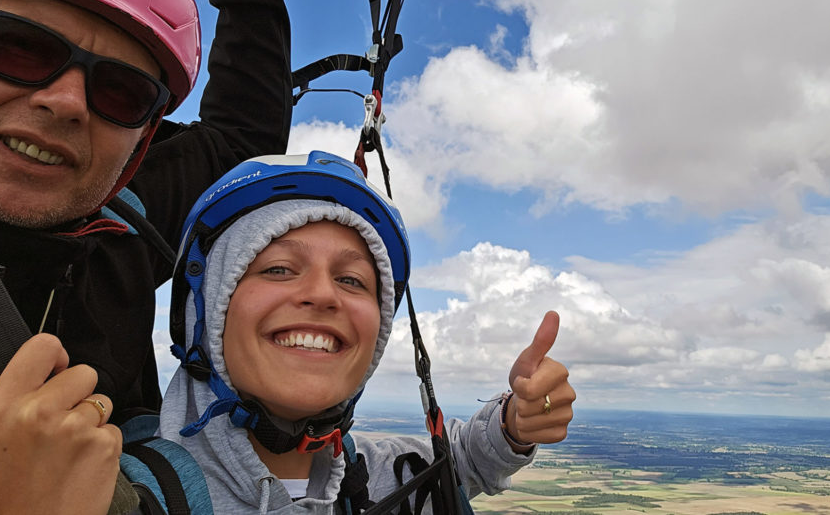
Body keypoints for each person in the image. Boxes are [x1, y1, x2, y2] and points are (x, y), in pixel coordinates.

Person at [0, 0, 294, 512]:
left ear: (141, 142)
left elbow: (244, 142)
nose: (66, 102)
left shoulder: (120, 218)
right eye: (18, 48)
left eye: (119, 90)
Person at [157, 151, 576, 512]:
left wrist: (514, 424)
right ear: (205, 312)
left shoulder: (385, 479)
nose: (323, 294)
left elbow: (462, 460)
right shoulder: (114, 491)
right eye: (278, 269)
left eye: (352, 280)